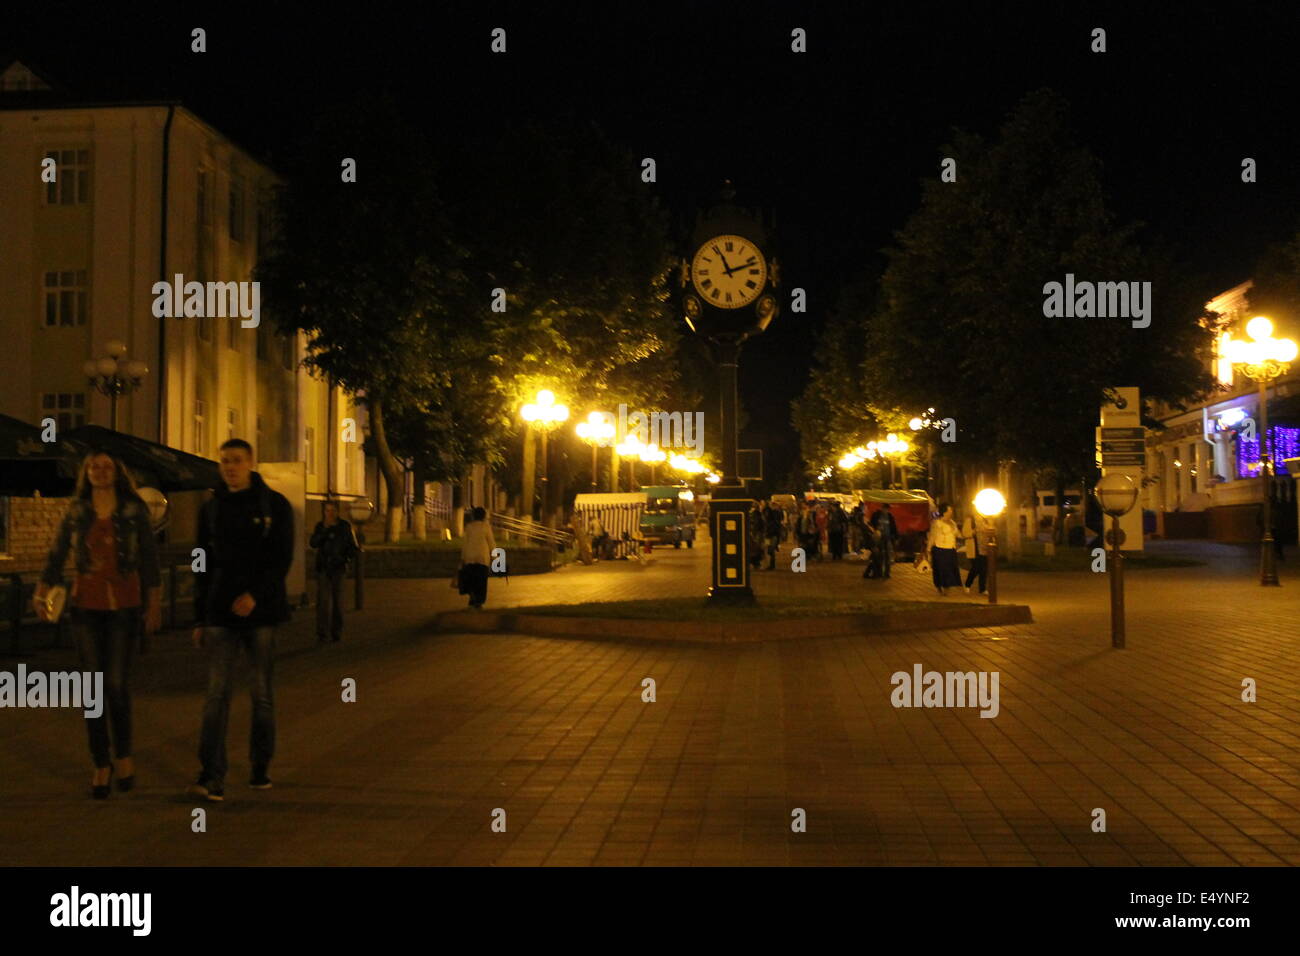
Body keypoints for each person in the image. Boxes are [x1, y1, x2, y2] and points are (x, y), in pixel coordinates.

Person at [34, 451, 161, 798]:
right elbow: (58, 552)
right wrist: (42, 589)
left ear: (117, 471)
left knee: (117, 685)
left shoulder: (134, 508)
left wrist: (154, 603)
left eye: (107, 465)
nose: (100, 471)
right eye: (94, 466)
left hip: (124, 605)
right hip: (85, 606)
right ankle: (100, 762)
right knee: (93, 688)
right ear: (86, 473)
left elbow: (149, 557)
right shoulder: (77, 509)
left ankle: (124, 756)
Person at [190, 439, 294, 802]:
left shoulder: (274, 506)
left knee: (262, 693)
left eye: (236, 461)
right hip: (219, 612)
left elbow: (281, 559)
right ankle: (211, 774)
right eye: (224, 461)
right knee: (216, 695)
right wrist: (199, 617)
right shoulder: (211, 509)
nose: (229, 467)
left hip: (261, 613)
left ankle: (260, 765)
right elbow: (200, 561)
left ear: (251, 463)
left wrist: (256, 596)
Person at [309, 500, 358, 643]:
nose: (330, 514)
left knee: (338, 602)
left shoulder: (344, 527)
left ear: (337, 511)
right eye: (327, 511)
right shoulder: (320, 526)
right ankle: (321, 633)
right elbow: (313, 543)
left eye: (332, 510)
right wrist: (324, 531)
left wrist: (345, 558)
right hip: (323, 568)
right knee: (322, 602)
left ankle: (336, 632)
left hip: (339, 568)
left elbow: (352, 547)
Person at [459, 506, 497, 609]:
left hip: (470, 557)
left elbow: (465, 544)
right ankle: (479, 601)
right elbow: (491, 543)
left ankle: (472, 600)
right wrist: (494, 558)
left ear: (473, 516)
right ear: (484, 516)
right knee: (481, 581)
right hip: (482, 558)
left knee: (471, 580)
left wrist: (462, 559)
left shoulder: (469, 527)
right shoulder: (486, 527)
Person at [928, 504, 963, 596]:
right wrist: (928, 549)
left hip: (951, 548)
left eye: (951, 510)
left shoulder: (952, 522)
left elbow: (958, 534)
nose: (951, 512)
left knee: (950, 569)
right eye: (949, 510)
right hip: (940, 549)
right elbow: (932, 536)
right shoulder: (937, 523)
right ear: (944, 512)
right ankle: (941, 586)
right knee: (942, 569)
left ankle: (947, 586)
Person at [962, 510, 992, 594]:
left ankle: (982, 588)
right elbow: (964, 533)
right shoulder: (970, 520)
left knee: (984, 569)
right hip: (975, 548)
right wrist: (974, 531)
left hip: (984, 548)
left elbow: (991, 531)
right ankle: (967, 584)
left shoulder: (986, 519)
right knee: (976, 568)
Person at [870, 504, 898, 578]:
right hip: (878, 538)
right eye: (885, 509)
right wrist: (875, 530)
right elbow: (871, 524)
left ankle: (887, 573)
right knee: (879, 556)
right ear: (882, 508)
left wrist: (895, 537)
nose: (886, 510)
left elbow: (893, 527)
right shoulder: (876, 515)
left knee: (887, 556)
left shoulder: (890, 516)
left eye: (887, 509)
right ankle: (878, 573)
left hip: (887, 538)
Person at [764, 497, 784, 570]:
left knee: (771, 549)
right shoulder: (773, 513)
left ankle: (772, 565)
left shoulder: (775, 513)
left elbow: (776, 523)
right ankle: (771, 565)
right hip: (772, 533)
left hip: (773, 533)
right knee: (770, 549)